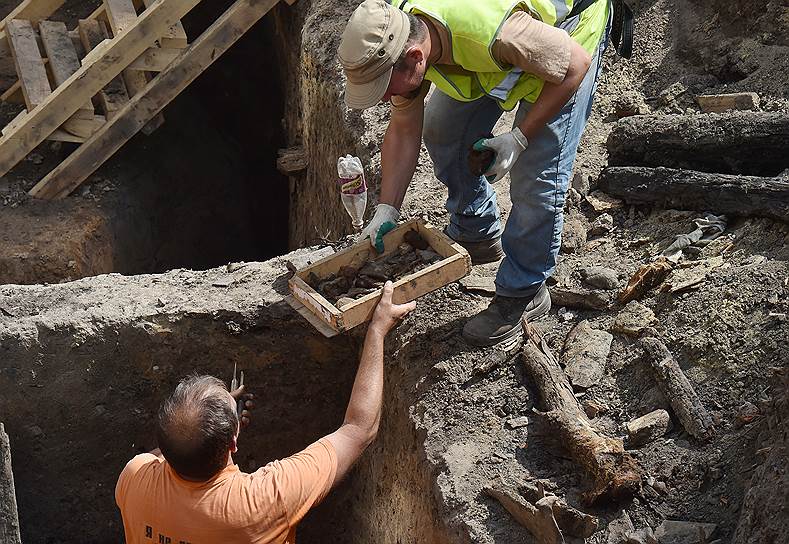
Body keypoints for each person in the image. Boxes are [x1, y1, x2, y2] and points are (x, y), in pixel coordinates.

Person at [339, 0, 611, 346]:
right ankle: (477, 232)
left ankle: (523, 292)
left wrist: (520, 137)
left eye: (385, 88)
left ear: (415, 58)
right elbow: (405, 125)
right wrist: (386, 210)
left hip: (566, 43)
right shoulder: (399, 26)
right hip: (499, 49)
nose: (383, 99)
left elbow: (574, 65)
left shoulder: (494, 33)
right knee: (442, 128)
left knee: (536, 180)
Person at [115, 281, 415, 544]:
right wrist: (376, 331)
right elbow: (358, 429)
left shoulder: (134, 478)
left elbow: (175, 448)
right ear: (233, 442)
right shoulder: (262, 501)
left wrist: (220, 431)